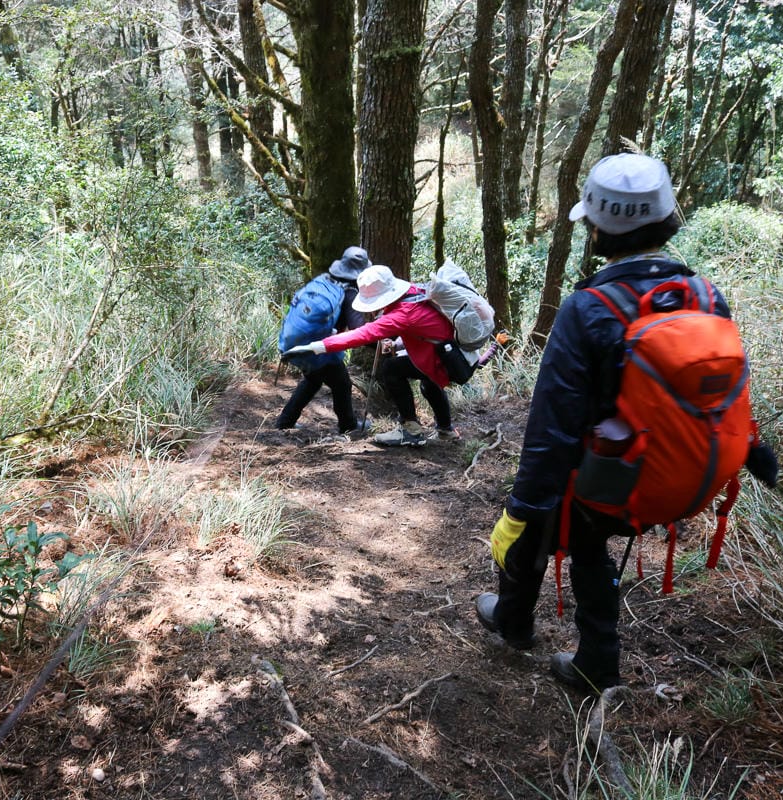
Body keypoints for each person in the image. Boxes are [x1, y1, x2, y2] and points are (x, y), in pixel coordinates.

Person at [474, 153, 755, 694]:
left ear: (598, 227)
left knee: (557, 523)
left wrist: (520, 510)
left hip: (606, 480)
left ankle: (541, 633)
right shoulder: (704, 295)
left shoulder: (588, 308)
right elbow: (725, 391)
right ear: (668, 216)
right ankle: (574, 647)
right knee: (580, 532)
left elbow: (552, 427)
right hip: (682, 471)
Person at [282, 263, 459, 447]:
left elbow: (360, 335)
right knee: (427, 381)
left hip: (444, 361)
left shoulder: (402, 314)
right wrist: (397, 344)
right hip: (452, 354)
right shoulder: (415, 292)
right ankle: (446, 430)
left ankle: (411, 431)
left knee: (392, 368)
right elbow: (424, 329)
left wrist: (316, 347)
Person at [274, 246, 370, 434]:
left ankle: (285, 421)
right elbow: (359, 329)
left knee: (313, 380)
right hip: (322, 349)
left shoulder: (324, 280)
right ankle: (348, 425)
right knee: (342, 384)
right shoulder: (350, 292)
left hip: (298, 342)